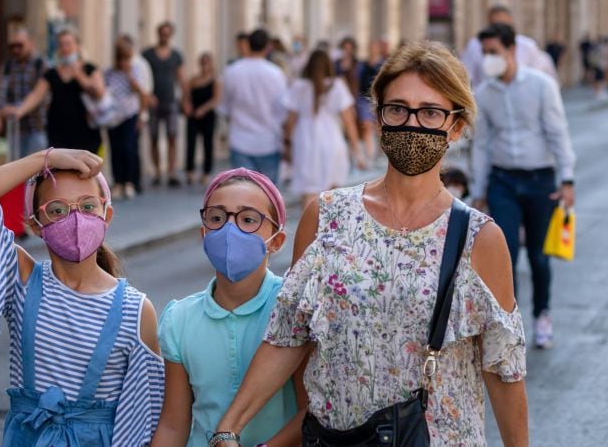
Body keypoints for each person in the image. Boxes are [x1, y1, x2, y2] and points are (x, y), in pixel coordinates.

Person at [212, 39, 528, 446]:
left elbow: (503, 372)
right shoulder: (326, 216)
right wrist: (228, 428)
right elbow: (288, 336)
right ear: (378, 118)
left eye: (430, 112)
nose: (411, 123)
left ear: (456, 126)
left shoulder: (478, 238)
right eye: (397, 109)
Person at [0, 147, 163, 445]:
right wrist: (44, 159)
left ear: (107, 214)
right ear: (36, 225)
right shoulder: (23, 281)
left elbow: (146, 414)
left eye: (88, 206)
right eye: (57, 210)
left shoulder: (135, 309)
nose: (75, 218)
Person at [152, 169, 301, 447]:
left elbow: (310, 412)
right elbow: (173, 425)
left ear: (277, 240)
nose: (230, 230)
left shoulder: (294, 304)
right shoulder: (179, 319)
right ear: (204, 233)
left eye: (248, 220)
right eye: (217, 218)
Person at [471, 23, 576, 350]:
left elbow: (558, 132)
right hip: (503, 181)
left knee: (539, 258)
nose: (489, 59)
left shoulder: (541, 86)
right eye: (485, 53)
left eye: (494, 52)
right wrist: (478, 190)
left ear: (511, 51)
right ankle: (508, 323)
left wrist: (567, 178)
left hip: (540, 180)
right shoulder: (483, 95)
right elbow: (481, 144)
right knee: (505, 255)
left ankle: (542, 314)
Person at [4, 28, 105, 154]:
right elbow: (36, 95)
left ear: (77, 46)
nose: (65, 48)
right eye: (61, 45)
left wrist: (79, 75)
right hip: (59, 132)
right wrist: (19, 110)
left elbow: (99, 92)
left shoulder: (90, 69)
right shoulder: (52, 73)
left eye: (68, 44)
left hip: (86, 132)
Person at [284, 50, 365, 206]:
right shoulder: (337, 85)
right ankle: (329, 228)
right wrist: (357, 151)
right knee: (332, 193)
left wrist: (287, 143)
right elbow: (349, 122)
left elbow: (290, 120)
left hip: (305, 141)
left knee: (308, 192)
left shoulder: (299, 86)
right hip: (332, 141)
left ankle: (308, 228)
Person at [220, 28, 287, 184]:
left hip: (240, 140)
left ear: (248, 44)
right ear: (268, 47)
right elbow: (282, 109)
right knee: (268, 197)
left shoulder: (232, 71)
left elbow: (224, 106)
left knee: (243, 195)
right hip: (269, 140)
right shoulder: (275, 73)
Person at [461, 5, 557, 88]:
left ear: (511, 49)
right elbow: (466, 76)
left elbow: (539, 73)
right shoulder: (474, 45)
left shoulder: (528, 46)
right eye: (494, 24)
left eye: (493, 52)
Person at [0, 26, 50, 157]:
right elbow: (0, 92)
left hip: (37, 127)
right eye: (12, 46)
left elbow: (39, 94)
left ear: (31, 43)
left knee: (37, 170)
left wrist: (18, 110)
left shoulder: (41, 64)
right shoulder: (8, 65)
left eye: (20, 45)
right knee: (15, 168)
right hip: (15, 129)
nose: (16, 49)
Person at [143, 21, 188, 187]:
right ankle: (156, 171)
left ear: (171, 35)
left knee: (172, 136)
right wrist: (147, 96)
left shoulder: (176, 55)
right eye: (162, 33)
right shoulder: (147, 54)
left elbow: (182, 78)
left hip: (170, 101)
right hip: (153, 102)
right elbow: (142, 76)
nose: (164, 36)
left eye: (167, 33)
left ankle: (171, 172)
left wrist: (185, 99)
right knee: (153, 137)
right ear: (158, 33)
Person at [105, 36, 148, 199]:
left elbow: (143, 94)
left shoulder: (136, 70)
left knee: (128, 148)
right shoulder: (109, 72)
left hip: (130, 114)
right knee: (115, 149)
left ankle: (129, 182)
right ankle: (118, 181)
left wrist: (142, 116)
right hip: (114, 116)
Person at [186, 53, 220, 185]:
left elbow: (216, 99)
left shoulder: (215, 81)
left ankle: (206, 172)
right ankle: (190, 171)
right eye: (203, 62)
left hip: (208, 115)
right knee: (191, 143)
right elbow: (186, 96)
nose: (205, 66)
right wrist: (187, 106)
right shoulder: (194, 80)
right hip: (193, 115)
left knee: (207, 143)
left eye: (207, 63)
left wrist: (203, 109)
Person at [357, 39, 389, 162]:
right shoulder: (362, 65)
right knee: (366, 126)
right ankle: (369, 154)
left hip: (379, 99)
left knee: (379, 127)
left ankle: (380, 155)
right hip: (364, 99)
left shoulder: (383, 64)